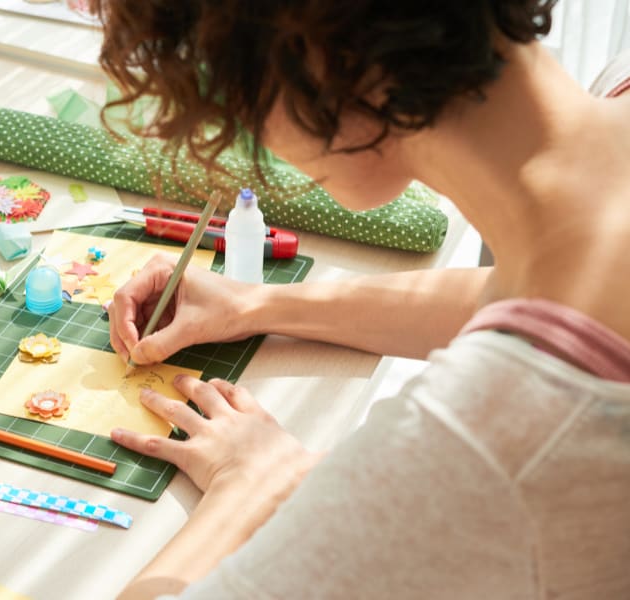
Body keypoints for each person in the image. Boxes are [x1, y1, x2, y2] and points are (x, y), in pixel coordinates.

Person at [92, 1, 630, 598]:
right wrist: (257, 304)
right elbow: (540, 304)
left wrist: (252, 485)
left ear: (310, 57)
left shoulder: (490, 446)